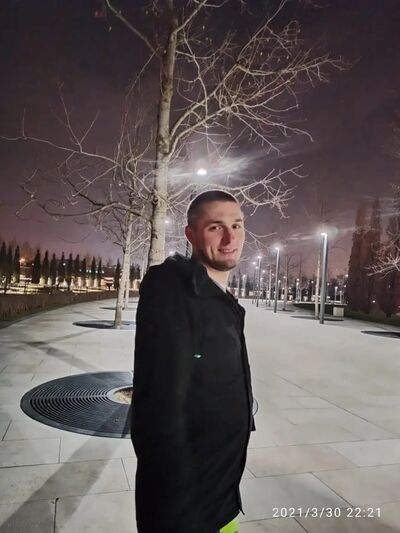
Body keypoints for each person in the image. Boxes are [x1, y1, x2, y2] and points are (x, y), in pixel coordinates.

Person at [131, 190, 255, 533]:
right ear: (190, 234)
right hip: (189, 510)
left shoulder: (218, 298)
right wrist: (179, 513)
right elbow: (158, 411)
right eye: (216, 227)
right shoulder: (174, 293)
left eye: (237, 225)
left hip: (221, 495)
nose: (230, 238)